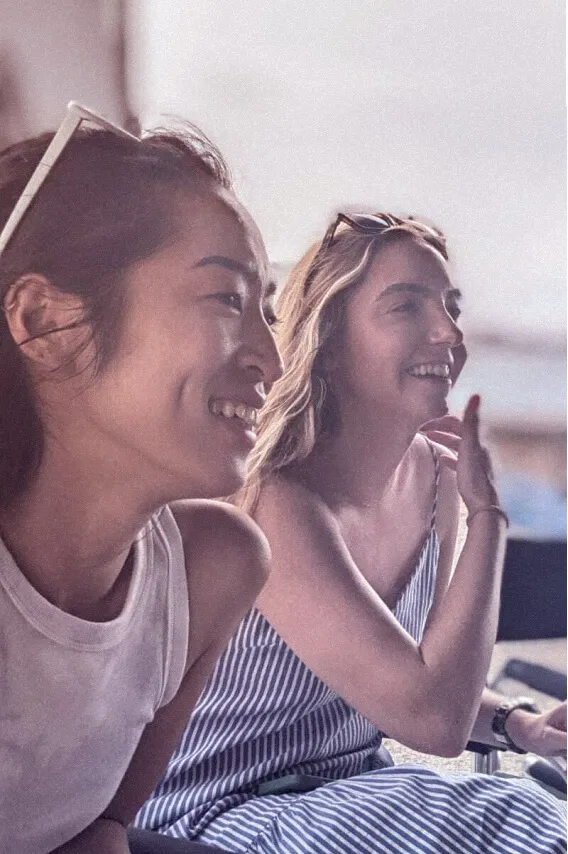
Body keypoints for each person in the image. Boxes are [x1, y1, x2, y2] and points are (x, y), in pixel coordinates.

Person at [136, 212, 567, 853]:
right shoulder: (277, 499)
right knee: (512, 817)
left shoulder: (436, 483)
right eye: (406, 307)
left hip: (351, 794)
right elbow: (432, 721)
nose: (448, 332)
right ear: (330, 345)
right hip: (222, 811)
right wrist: (491, 521)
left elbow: (413, 680)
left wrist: (516, 722)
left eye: (451, 305)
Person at [0, 105, 283, 854]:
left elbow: (100, 831)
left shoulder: (214, 567)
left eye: (268, 311)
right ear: (44, 320)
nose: (271, 361)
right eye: (227, 297)